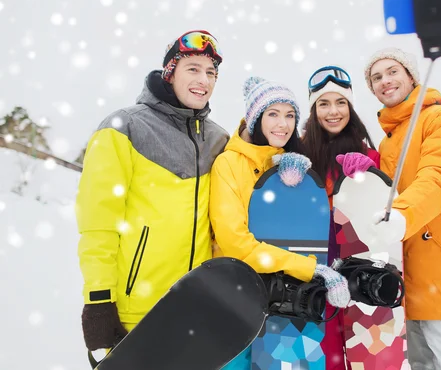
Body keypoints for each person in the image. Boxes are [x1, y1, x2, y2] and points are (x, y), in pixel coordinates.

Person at [75, 30, 230, 351]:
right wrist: (99, 301)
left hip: (197, 309)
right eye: (193, 69)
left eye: (211, 72)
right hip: (137, 311)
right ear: (170, 72)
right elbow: (98, 224)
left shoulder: (219, 139)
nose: (204, 79)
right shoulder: (123, 128)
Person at [364, 47, 441, 370]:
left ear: (411, 76)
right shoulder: (388, 141)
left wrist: (400, 215)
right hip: (409, 285)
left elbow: (439, 179)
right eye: (376, 77)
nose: (385, 81)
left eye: (392, 71)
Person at [209, 75, 351, 306]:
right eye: (273, 114)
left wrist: (299, 189)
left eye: (290, 115)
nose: (283, 124)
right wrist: (311, 268)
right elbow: (235, 243)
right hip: (237, 290)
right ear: (255, 119)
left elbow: (303, 231)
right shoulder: (228, 164)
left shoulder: (287, 162)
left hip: (283, 295)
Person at [302, 66, 380, 369]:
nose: (333, 112)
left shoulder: (368, 156)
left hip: (358, 263)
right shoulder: (300, 153)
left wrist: (371, 174)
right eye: (323, 103)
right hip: (317, 268)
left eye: (340, 103)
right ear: (313, 109)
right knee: (327, 354)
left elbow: (381, 211)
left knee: (363, 349)